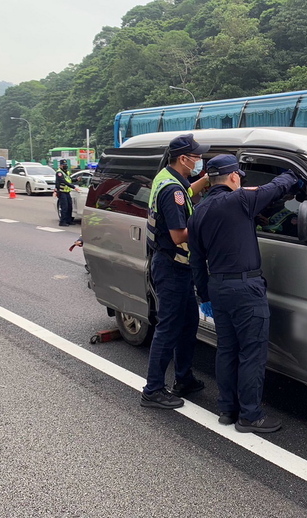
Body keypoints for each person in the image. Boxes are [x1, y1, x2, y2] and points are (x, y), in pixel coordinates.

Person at [187, 154, 298, 433]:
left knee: (227, 349)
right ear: (234, 176)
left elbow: (196, 260)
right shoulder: (240, 201)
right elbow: (275, 188)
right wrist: (292, 174)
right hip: (245, 289)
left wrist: (205, 294)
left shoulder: (198, 211)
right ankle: (250, 415)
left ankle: (227, 409)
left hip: (218, 287)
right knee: (251, 353)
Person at [141, 133, 212, 409]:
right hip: (171, 267)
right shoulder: (173, 191)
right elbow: (178, 235)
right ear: (184, 159)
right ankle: (153, 389)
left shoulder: (168, 178)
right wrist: (208, 225)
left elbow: (185, 194)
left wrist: (203, 181)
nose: (199, 160)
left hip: (177, 268)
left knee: (188, 324)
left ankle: (184, 378)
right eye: (196, 157)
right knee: (169, 328)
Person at [55, 159, 79, 226]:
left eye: (66, 165)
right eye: (64, 165)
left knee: (69, 207)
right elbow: (64, 181)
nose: (65, 166)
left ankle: (69, 221)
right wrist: (74, 187)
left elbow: (69, 179)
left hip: (67, 192)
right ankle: (62, 222)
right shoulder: (59, 173)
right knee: (64, 207)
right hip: (62, 192)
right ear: (60, 165)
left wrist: (76, 179)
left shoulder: (66, 172)